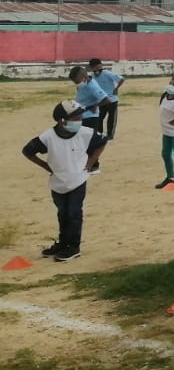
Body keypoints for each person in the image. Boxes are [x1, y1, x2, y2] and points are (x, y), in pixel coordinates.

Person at [23, 100, 107, 262]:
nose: (80, 120)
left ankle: (73, 247)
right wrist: (46, 167)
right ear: (62, 120)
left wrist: (91, 162)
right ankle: (63, 243)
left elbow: (102, 142)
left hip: (77, 180)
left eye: (80, 116)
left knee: (74, 213)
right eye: (75, 117)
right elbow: (28, 151)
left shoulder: (85, 133)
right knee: (62, 213)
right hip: (58, 182)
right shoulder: (48, 137)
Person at [69, 66, 111, 137]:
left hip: (90, 118)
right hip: (81, 116)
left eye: (78, 82)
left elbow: (107, 100)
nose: (77, 84)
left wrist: (94, 106)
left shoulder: (92, 86)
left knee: (88, 141)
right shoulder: (86, 81)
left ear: (84, 77)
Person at [88, 58, 124, 140]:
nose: (95, 69)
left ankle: (110, 134)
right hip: (101, 100)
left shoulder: (107, 73)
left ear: (100, 66)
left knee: (111, 118)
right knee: (99, 117)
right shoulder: (92, 76)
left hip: (112, 99)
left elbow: (121, 79)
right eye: (93, 67)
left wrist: (116, 89)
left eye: (97, 66)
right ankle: (99, 133)